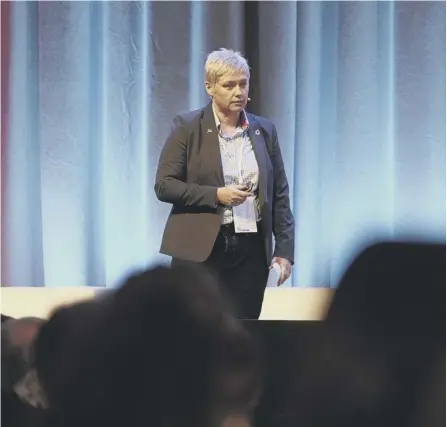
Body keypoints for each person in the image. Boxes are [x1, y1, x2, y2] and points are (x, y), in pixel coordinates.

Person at [155, 48, 295, 319]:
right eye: (229, 85)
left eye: (243, 84)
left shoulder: (264, 130)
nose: (238, 92)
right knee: (196, 331)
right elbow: (164, 185)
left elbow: (279, 194)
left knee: (243, 331)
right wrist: (216, 195)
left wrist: (285, 251)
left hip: (251, 250)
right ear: (210, 87)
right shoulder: (187, 126)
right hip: (202, 250)